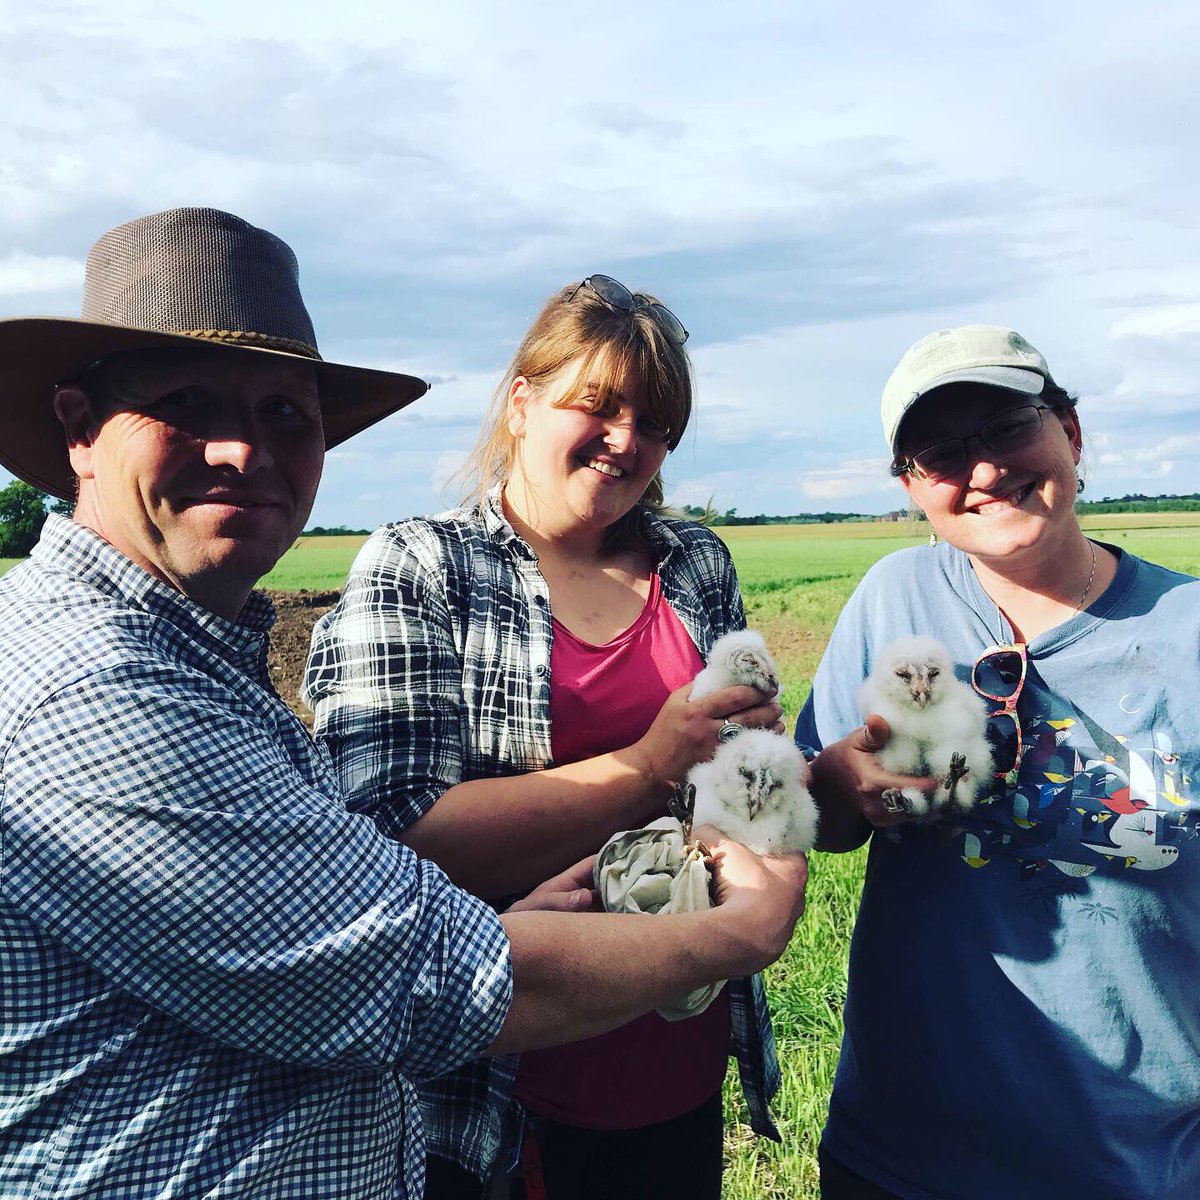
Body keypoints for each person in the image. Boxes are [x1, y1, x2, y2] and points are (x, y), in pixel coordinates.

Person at [0, 210, 810, 1200]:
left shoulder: (198, 655)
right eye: (188, 403)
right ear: (79, 427)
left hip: (657, 1045)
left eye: (286, 414)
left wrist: (814, 789)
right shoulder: (104, 691)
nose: (244, 452)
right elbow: (407, 954)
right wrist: (727, 911)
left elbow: (349, 895)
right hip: (504, 1096)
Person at [303, 275, 788, 1199]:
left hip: (675, 1041)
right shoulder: (423, 565)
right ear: (521, 403)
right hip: (499, 1076)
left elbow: (745, 784)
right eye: (597, 406)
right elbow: (395, 833)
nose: (626, 441)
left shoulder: (696, 563)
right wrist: (650, 765)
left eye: (654, 422)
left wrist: (791, 783)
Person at [795, 324, 1200, 1199]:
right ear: (911, 487)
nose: (982, 470)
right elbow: (815, 826)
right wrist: (834, 782)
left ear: (1071, 432)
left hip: (1130, 1160)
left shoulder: (1189, 632)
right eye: (942, 453)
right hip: (898, 1155)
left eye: (1009, 427)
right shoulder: (893, 598)